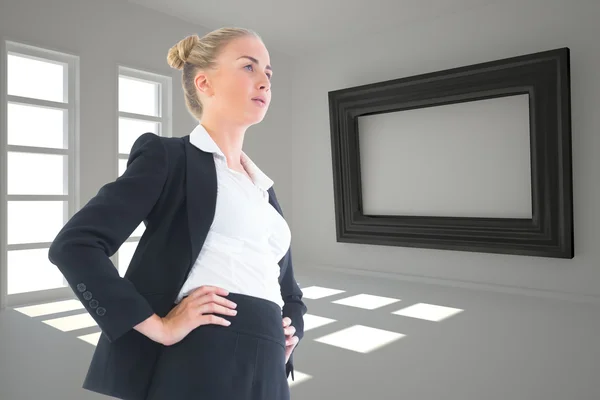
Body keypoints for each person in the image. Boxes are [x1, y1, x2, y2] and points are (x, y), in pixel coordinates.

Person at [48, 27, 306, 400]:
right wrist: (159, 327)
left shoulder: (263, 188)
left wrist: (289, 332)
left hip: (269, 366)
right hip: (206, 351)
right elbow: (74, 245)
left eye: (268, 72)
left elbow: (290, 292)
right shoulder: (169, 158)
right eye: (249, 67)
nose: (264, 81)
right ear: (205, 82)